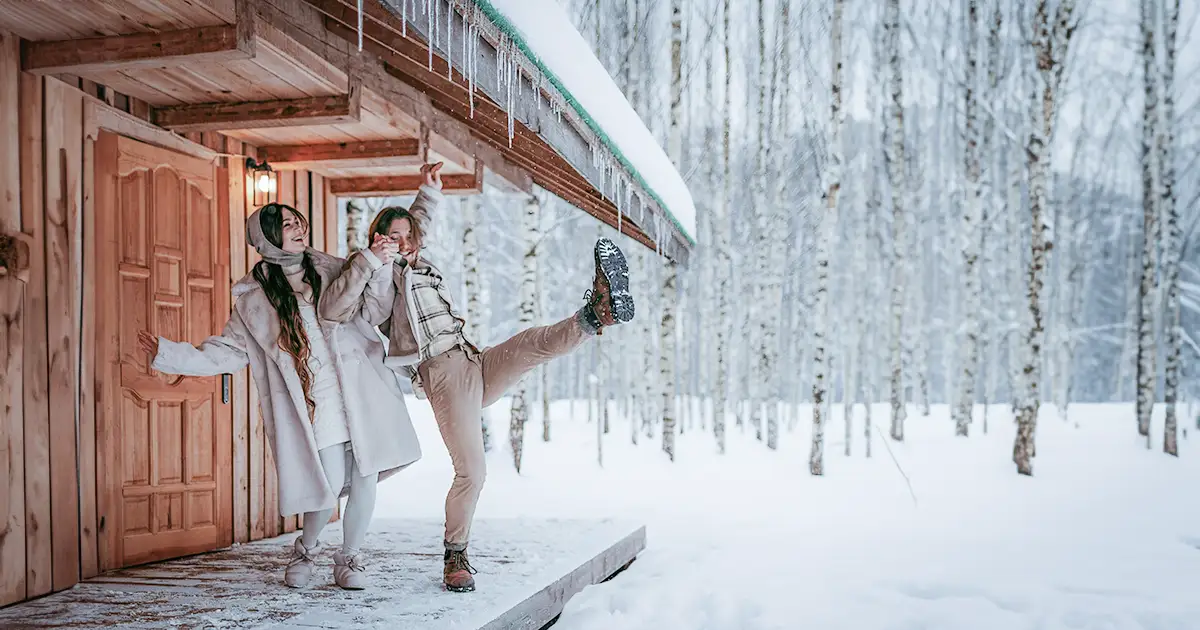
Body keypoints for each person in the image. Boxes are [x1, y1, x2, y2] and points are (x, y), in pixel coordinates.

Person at [320, 162, 636, 593]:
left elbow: (417, 221)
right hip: (442, 374)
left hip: (471, 359)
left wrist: (428, 192)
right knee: (473, 470)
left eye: (407, 237)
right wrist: (372, 259)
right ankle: (456, 556)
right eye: (390, 238)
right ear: (378, 241)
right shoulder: (380, 280)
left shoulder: (419, 261)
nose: (402, 243)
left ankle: (597, 314)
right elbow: (335, 310)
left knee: (531, 343)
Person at [138, 202, 421, 591]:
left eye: (297, 221)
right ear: (267, 238)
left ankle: (350, 557)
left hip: (360, 389)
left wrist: (379, 265)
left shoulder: (332, 267)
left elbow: (373, 311)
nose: (297, 228)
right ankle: (306, 548)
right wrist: (168, 354)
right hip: (314, 402)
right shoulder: (253, 299)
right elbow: (228, 351)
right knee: (330, 481)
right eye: (286, 225)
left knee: (366, 474)